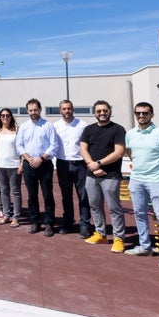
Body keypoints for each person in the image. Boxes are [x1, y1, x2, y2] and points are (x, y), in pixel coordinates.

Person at [124, 102, 159, 269]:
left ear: (152, 114)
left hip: (158, 181)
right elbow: (131, 154)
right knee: (139, 213)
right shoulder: (130, 134)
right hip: (137, 180)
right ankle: (145, 246)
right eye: (138, 113)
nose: (141, 116)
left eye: (145, 113)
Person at [80, 100, 126, 253]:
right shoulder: (88, 129)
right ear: (95, 113)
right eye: (99, 111)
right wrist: (91, 166)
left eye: (104, 110)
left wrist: (98, 164)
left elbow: (118, 152)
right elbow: (83, 149)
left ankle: (119, 238)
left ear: (109, 111)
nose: (102, 113)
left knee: (114, 208)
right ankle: (101, 234)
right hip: (91, 175)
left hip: (111, 175)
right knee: (95, 205)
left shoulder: (118, 129)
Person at [16, 98, 58, 237]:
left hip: (44, 164)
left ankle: (49, 223)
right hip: (29, 165)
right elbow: (19, 145)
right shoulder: (23, 127)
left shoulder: (48, 126)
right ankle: (35, 222)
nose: (33, 112)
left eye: (35, 109)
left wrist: (40, 159)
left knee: (47, 195)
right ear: (27, 111)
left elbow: (54, 145)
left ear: (40, 109)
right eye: (30, 110)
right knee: (32, 196)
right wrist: (29, 159)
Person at [53, 99, 91, 238]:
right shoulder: (55, 126)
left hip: (80, 164)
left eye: (69, 108)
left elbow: (88, 145)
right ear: (60, 111)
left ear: (73, 109)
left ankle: (85, 225)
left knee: (83, 196)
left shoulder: (82, 125)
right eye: (64, 109)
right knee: (66, 196)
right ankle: (68, 223)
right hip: (63, 164)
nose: (67, 111)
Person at [0, 108, 22, 227]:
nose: (5, 117)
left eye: (7, 115)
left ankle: (16, 217)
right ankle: (6, 215)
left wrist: (21, 164)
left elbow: (21, 148)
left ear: (11, 117)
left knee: (16, 191)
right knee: (4, 191)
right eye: (2, 115)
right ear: (0, 117)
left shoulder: (16, 130)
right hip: (0, 165)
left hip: (14, 166)